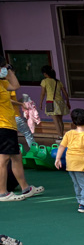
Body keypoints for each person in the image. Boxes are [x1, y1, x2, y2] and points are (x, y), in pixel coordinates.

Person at [0, 66, 44, 202]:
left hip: (9, 124)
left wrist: (9, 70)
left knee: (17, 156)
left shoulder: (2, 83)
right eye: (2, 67)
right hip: (3, 125)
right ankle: (2, 193)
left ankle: (26, 188)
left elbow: (15, 86)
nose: (3, 70)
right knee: (4, 159)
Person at [55, 108, 84, 213]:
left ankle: (81, 202)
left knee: (77, 184)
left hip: (71, 164)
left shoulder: (69, 133)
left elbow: (61, 146)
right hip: (82, 164)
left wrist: (58, 158)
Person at [39, 65, 69, 138]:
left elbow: (43, 93)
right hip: (61, 102)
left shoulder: (44, 81)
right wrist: (68, 102)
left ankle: (60, 136)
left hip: (50, 102)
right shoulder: (58, 82)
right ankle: (62, 135)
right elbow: (65, 93)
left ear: (45, 73)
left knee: (55, 121)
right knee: (60, 121)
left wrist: (41, 103)